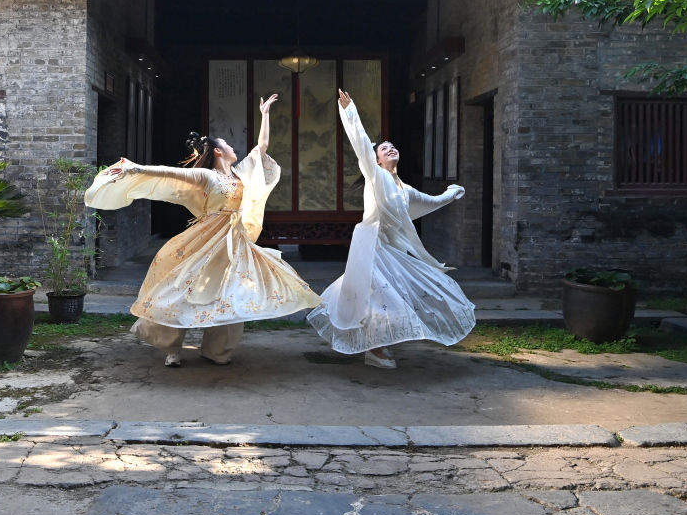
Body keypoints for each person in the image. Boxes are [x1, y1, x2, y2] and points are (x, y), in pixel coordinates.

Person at [84, 94, 320, 366]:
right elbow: (168, 173)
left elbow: (262, 147)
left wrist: (265, 114)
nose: (233, 148)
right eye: (228, 145)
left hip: (234, 241)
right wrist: (134, 168)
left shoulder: (241, 174)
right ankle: (171, 347)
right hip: (206, 239)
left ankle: (218, 351)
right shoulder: (207, 176)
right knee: (182, 289)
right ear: (218, 152)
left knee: (229, 293)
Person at [307, 89, 476, 368]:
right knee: (377, 298)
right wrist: (350, 112)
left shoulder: (404, 188)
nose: (390, 149)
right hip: (371, 247)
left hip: (391, 249)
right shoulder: (375, 176)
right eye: (384, 149)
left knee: (397, 296)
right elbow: (361, 143)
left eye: (392, 146)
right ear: (376, 160)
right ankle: (375, 350)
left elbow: (430, 201)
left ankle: (376, 347)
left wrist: (451, 193)